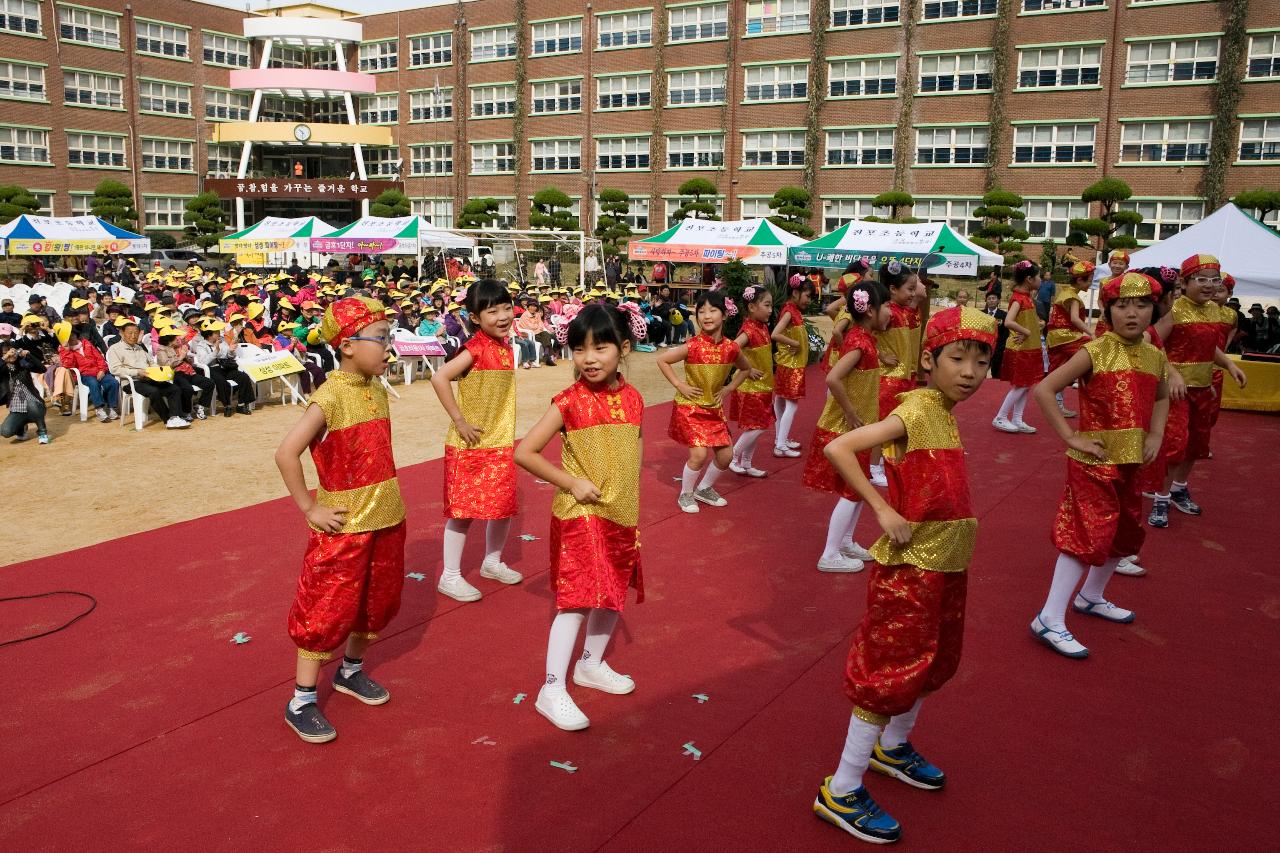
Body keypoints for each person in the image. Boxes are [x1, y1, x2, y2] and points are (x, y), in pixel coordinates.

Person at [812, 306, 997, 844]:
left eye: (980, 362)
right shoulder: (916, 410)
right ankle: (841, 788)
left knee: (932, 660)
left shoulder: (944, 411)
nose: (968, 371)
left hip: (946, 565)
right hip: (911, 570)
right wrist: (881, 509)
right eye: (957, 358)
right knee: (888, 671)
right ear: (929, 360)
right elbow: (839, 446)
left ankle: (891, 748)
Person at [276, 296, 406, 744]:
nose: (389, 348)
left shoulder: (375, 385)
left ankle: (350, 672)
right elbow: (286, 453)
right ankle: (302, 700)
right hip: (345, 525)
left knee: (376, 601)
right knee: (326, 606)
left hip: (388, 515)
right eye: (382, 338)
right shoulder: (329, 395)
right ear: (348, 345)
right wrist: (310, 508)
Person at [514, 304, 646, 731]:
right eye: (579, 349)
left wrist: (631, 505)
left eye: (601, 347)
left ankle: (590, 664)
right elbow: (525, 452)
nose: (589, 358)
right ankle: (551, 687)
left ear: (623, 349)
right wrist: (571, 482)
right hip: (579, 513)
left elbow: (635, 453)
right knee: (576, 598)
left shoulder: (634, 399)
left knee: (612, 590)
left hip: (621, 513)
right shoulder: (568, 402)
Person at [1029, 273, 1170, 659]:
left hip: (1133, 460)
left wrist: (1156, 435)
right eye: (1122, 305)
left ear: (1153, 310)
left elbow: (1160, 397)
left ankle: (1091, 596)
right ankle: (1049, 616)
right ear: (1107, 310)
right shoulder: (1096, 350)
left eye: (1141, 305)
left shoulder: (1155, 356)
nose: (1132, 313)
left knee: (1124, 531)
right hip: (1094, 461)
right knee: (1086, 534)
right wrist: (1071, 436)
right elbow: (1045, 389)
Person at [429, 279, 524, 602]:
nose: (502, 316)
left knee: (502, 508)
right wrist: (459, 420)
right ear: (474, 318)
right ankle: (450, 575)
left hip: (500, 442)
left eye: (506, 308)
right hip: (470, 445)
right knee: (463, 512)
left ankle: (492, 562)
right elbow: (439, 377)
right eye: (492, 311)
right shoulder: (476, 348)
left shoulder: (506, 348)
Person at [1147, 255, 1247, 527]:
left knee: (1196, 444)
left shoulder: (1215, 311)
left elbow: (1208, 348)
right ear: (1185, 281)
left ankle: (1179, 488)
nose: (1209, 285)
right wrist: (1173, 373)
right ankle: (1161, 498)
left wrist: (1227, 364)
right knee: (1175, 445)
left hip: (1204, 389)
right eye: (1201, 279)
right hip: (1176, 392)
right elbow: (1152, 345)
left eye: (1215, 280)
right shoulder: (1175, 310)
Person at [803, 282, 890, 573]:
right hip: (848, 429)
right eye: (886, 306)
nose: (890, 312)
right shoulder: (860, 342)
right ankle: (829, 553)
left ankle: (846, 541)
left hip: (860, 429)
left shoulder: (866, 339)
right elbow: (833, 378)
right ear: (871, 311)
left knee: (859, 487)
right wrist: (852, 414)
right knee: (854, 490)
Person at [658, 290, 757, 513]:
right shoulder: (692, 345)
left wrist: (730, 387)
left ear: (724, 314)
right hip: (690, 408)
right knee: (699, 454)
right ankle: (686, 493)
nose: (706, 315)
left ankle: (704, 488)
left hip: (714, 409)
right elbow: (662, 359)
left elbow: (745, 368)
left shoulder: (731, 348)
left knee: (726, 455)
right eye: (701, 311)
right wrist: (679, 385)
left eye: (713, 310)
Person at [873, 261, 930, 485]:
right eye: (909, 288)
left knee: (897, 424)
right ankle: (874, 468)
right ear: (893, 289)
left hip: (904, 376)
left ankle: (890, 463)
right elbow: (860, 334)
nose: (913, 292)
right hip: (889, 378)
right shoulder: (886, 312)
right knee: (883, 425)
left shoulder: (905, 311)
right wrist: (880, 355)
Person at [992, 260, 1045, 433]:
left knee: (1026, 384)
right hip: (1021, 349)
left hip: (1029, 348)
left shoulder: (1027, 298)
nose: (1041, 280)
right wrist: (1027, 332)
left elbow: (1023, 321)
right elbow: (1008, 321)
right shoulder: (1019, 299)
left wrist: (1036, 326)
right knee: (1021, 385)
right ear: (1029, 279)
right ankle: (1000, 417)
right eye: (1038, 277)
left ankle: (1017, 418)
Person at [729, 285, 776, 478]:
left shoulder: (762, 327)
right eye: (766, 305)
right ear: (751, 307)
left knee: (756, 426)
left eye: (771, 305)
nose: (770, 310)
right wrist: (746, 370)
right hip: (751, 389)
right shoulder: (748, 330)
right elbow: (731, 350)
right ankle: (732, 457)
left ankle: (746, 463)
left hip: (762, 387)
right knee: (760, 425)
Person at [106, 318, 187, 429]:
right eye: (130, 333)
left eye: (136, 333)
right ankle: (168, 418)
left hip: (149, 378)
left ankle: (175, 417)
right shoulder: (115, 349)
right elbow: (115, 369)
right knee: (154, 392)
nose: (133, 336)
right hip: (131, 381)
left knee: (174, 389)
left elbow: (152, 363)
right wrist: (137, 372)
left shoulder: (139, 348)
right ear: (121, 333)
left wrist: (160, 370)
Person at [772, 275, 814, 457]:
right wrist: (794, 343)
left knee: (780, 401)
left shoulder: (792, 310)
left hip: (788, 363)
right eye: (808, 295)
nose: (809, 300)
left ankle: (780, 438)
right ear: (795, 293)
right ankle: (781, 443)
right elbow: (775, 333)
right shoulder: (790, 311)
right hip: (791, 365)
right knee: (791, 404)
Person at [189, 319, 255, 416]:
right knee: (221, 381)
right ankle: (227, 405)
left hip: (225, 367)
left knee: (243, 377)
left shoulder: (222, 342)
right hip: (211, 369)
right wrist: (215, 351)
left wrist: (231, 351)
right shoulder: (201, 345)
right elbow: (204, 362)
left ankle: (241, 404)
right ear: (209, 334)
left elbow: (229, 357)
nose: (219, 333)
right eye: (216, 332)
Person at [55, 322, 118, 421]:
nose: (71, 338)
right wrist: (67, 350)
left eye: (73, 335)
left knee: (113, 382)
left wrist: (102, 369)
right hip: (83, 374)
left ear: (76, 335)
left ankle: (111, 407)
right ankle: (99, 408)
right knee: (93, 383)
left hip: (98, 371)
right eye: (68, 337)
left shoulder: (86, 343)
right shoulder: (64, 350)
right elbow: (68, 365)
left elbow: (99, 357)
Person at [155, 325, 214, 420]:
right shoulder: (161, 349)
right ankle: (185, 412)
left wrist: (187, 357)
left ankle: (200, 405)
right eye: (175, 337)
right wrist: (181, 357)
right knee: (187, 389)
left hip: (189, 371)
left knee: (209, 383)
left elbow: (189, 361)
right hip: (176, 374)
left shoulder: (179, 346)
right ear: (169, 339)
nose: (177, 339)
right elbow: (166, 365)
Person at [1, 340, 50, 444]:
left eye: (12, 351)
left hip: (34, 404)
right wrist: (5, 358)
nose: (10, 354)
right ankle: (21, 428)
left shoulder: (22, 363)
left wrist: (28, 355)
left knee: (32, 405)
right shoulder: (3, 368)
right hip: (17, 409)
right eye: (6, 352)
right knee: (5, 431)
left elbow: (42, 369)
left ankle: (42, 432)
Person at [982, 291, 1008, 378]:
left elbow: (1006, 333)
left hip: (998, 349)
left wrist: (1001, 347)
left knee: (997, 374)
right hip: (983, 348)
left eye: (994, 298)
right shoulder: (980, 314)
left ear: (998, 301)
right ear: (986, 300)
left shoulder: (1004, 315)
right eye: (989, 299)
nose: (991, 300)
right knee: (981, 372)